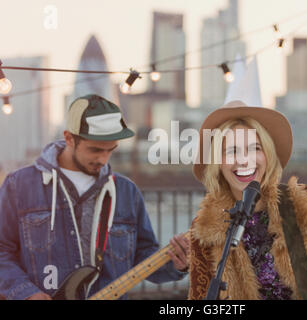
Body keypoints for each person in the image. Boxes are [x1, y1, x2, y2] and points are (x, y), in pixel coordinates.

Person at [0, 94, 189, 300]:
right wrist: (27, 293)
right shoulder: (19, 185)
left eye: (110, 150)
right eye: (95, 149)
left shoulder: (127, 191)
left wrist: (177, 264)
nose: (103, 158)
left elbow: (143, 257)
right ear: (69, 138)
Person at [187, 100, 307, 300]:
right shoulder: (204, 231)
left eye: (255, 149)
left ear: (268, 155)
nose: (244, 160)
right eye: (231, 151)